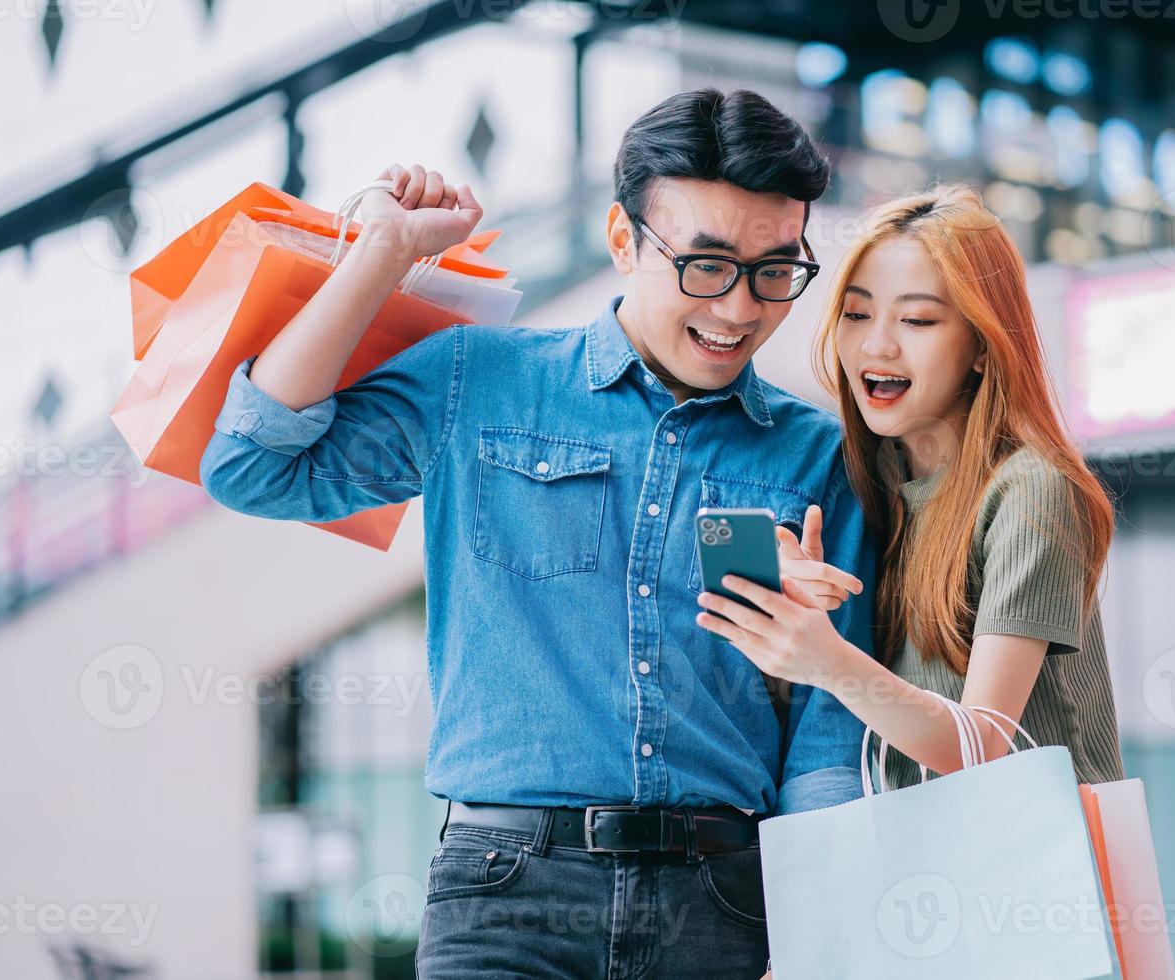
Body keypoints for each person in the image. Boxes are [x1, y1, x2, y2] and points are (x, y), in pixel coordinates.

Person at [199, 89, 875, 978]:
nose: (741, 307)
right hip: (505, 898)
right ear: (624, 239)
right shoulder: (475, 382)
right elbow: (251, 465)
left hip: (721, 905)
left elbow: (829, 731)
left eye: (775, 270)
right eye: (706, 264)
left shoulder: (817, 453)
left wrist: (819, 924)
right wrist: (381, 255)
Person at [695, 184, 1123, 812]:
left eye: (918, 320)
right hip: (931, 872)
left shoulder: (1031, 490)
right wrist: (797, 622)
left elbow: (982, 746)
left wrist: (831, 659)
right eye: (858, 313)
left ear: (982, 344)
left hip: (1040, 879)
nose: (877, 346)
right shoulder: (874, 486)